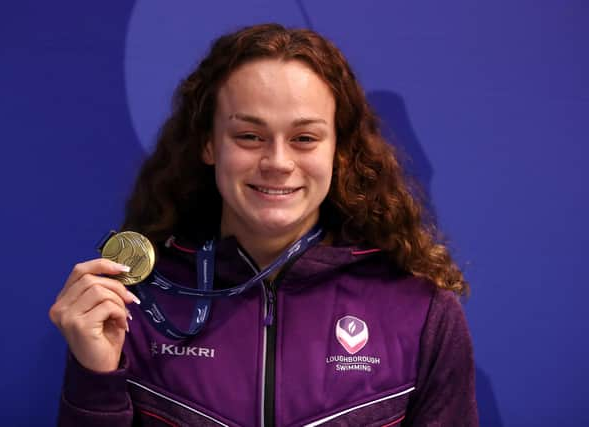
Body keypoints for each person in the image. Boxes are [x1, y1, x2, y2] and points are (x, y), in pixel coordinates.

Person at [49, 23, 478, 426]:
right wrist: (95, 378)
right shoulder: (131, 306)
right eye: (249, 136)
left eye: (304, 138)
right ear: (208, 143)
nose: (277, 162)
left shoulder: (421, 311)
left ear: (338, 150)